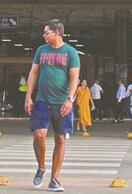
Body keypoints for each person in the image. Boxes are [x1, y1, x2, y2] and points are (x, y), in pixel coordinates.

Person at [24, 20, 80, 193]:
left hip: (62, 103)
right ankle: (41, 167)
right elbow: (33, 73)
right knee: (39, 134)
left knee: (60, 139)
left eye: (46, 32)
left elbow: (74, 79)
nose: (44, 35)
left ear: (57, 32)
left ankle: (54, 179)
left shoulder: (70, 52)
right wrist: (28, 96)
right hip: (42, 100)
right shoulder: (41, 50)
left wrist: (70, 100)